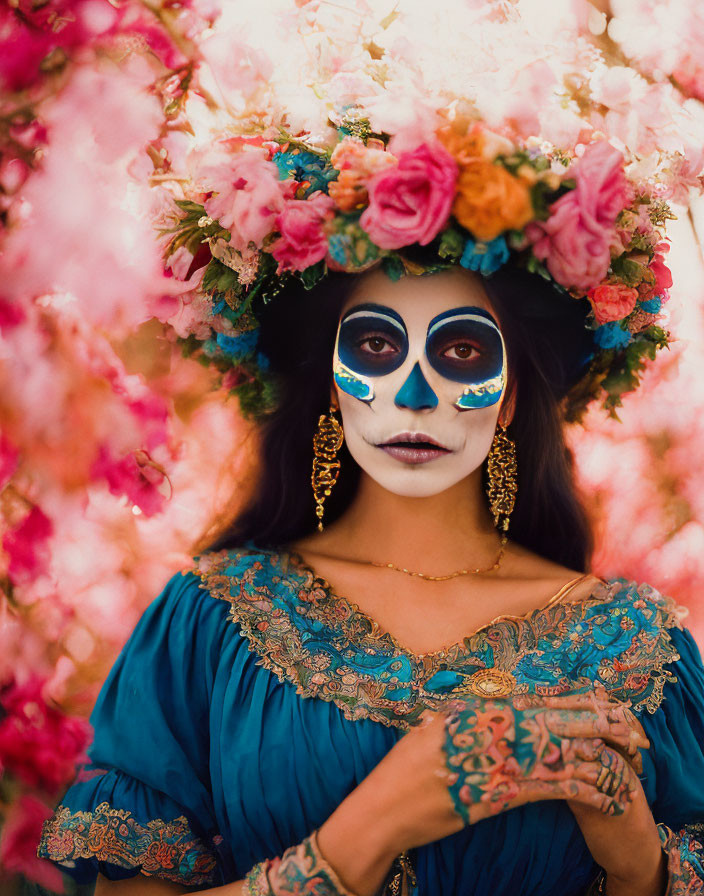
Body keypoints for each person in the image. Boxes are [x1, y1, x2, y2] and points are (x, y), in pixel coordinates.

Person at [35, 116, 704, 895]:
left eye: (461, 352)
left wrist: (642, 866)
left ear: (514, 395)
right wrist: (374, 825)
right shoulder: (210, 624)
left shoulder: (636, 650)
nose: (414, 396)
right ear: (327, 383)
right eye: (377, 348)